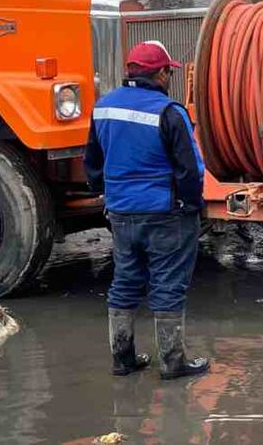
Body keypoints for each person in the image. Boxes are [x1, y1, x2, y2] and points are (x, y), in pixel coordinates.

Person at [85, 41, 211, 380]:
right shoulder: (170, 112)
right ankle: (173, 362)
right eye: (169, 70)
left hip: (122, 214)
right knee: (168, 285)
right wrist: (194, 206)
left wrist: (106, 197)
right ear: (161, 72)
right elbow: (191, 169)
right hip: (166, 214)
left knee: (125, 282)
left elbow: (92, 164)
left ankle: (122, 359)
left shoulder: (103, 108)